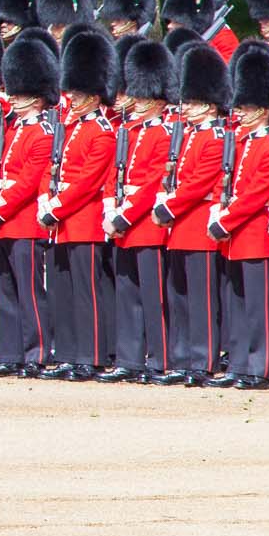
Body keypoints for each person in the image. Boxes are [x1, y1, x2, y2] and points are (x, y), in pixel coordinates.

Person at [34, 33, 118, 380]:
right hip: (60, 222)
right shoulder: (68, 128)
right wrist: (44, 200)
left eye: (80, 94)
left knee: (87, 294)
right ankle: (69, 353)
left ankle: (92, 354)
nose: (73, 98)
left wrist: (56, 206)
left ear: (95, 96)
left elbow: (86, 182)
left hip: (82, 221)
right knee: (63, 291)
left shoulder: (102, 132)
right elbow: (51, 170)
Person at [0, 39, 60, 377]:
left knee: (28, 290)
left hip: (23, 223)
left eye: (20, 93)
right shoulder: (12, 129)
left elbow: (27, 183)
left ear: (37, 97)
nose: (13, 98)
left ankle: (35, 351)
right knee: (5, 289)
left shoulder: (42, 133)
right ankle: (10, 353)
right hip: (4, 222)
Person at [149, 45, 233, 387]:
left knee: (202, 301)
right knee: (179, 298)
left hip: (197, 227)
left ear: (210, 105)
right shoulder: (188, 134)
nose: (188, 108)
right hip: (179, 229)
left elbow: (199, 183)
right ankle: (183, 358)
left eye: (195, 103)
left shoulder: (214, 137)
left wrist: (168, 205)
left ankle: (204, 360)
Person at [206, 46, 269, 390]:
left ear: (264, 110)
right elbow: (228, 183)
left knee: (258, 308)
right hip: (234, 237)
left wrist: (225, 220)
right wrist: (217, 209)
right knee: (235, 303)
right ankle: (239, 363)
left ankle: (260, 367)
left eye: (247, 107)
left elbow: (256, 194)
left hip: (254, 235)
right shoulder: (241, 141)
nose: (240, 113)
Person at [98, 41, 177, 382]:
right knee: (127, 293)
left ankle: (159, 359)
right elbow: (113, 176)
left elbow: (150, 185)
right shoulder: (129, 132)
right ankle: (130, 358)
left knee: (152, 296)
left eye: (145, 98)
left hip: (145, 225)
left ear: (159, 101)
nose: (138, 103)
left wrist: (124, 215)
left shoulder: (162, 134)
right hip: (124, 224)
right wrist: (110, 208)